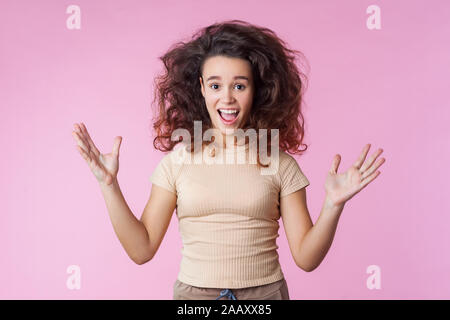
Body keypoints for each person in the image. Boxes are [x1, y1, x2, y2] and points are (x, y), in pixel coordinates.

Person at [71, 20, 386, 300]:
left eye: (239, 85)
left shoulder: (280, 163)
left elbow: (306, 258)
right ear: (201, 89)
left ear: (257, 90)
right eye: (215, 85)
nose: (227, 99)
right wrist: (108, 185)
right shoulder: (177, 163)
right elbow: (142, 250)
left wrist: (333, 204)